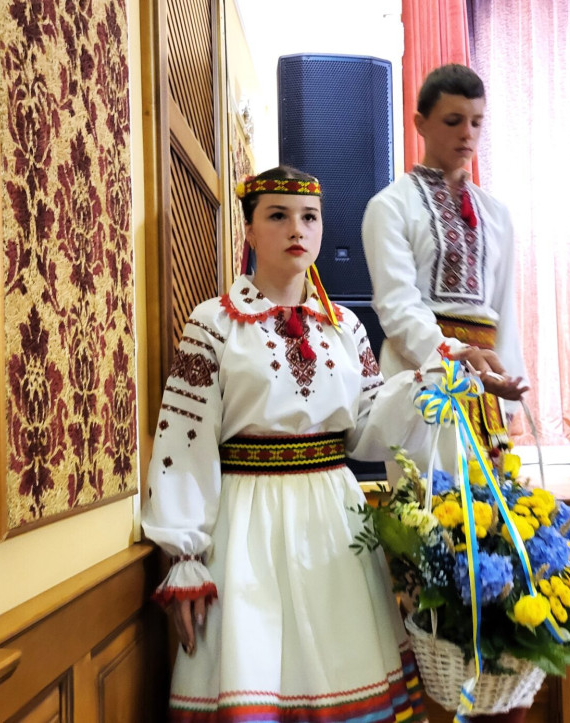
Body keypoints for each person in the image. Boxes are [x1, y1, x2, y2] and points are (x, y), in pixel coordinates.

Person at [142, 165, 440, 722]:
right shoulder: (213, 324)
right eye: (278, 216)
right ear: (249, 231)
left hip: (334, 521)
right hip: (246, 523)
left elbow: (368, 428)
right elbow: (184, 439)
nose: (297, 229)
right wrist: (185, 554)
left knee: (342, 660)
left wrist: (426, 384)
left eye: (309, 217)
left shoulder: (346, 327)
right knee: (255, 665)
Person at [362, 63, 528, 458]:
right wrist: (455, 355)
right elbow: (397, 307)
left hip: (485, 378)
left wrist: (507, 388)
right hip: (422, 373)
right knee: (425, 491)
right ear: (420, 124)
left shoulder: (496, 213)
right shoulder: (390, 206)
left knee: (492, 489)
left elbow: (503, 307)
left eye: (476, 122)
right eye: (453, 121)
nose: (467, 133)